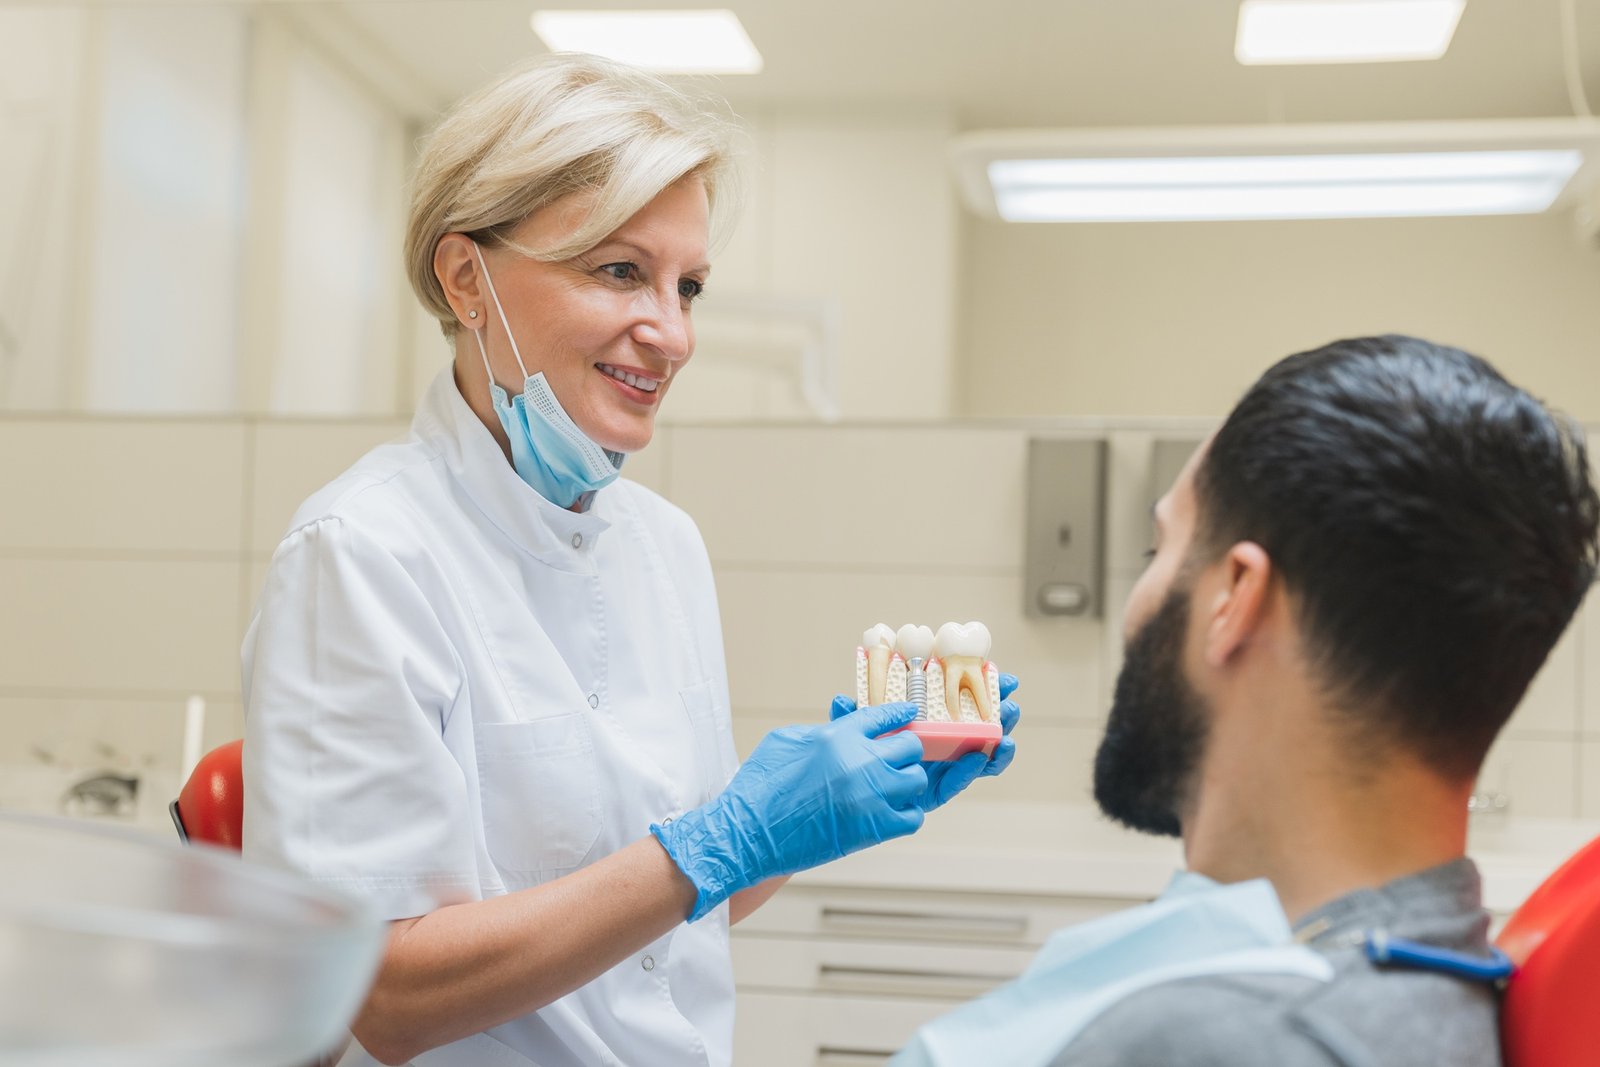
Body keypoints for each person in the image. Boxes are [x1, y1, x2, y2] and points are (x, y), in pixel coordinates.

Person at [240, 54, 1019, 1067]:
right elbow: (377, 995)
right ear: (466, 277)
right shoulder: (361, 554)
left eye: (686, 285)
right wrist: (721, 837)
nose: (673, 332)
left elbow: (657, 915)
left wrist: (809, 818)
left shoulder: (663, 546)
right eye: (619, 271)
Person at [893, 335, 1598, 1067]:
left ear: (1234, 597)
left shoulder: (1234, 1039)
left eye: (1157, 551)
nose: (1141, 600)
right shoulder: (1410, 966)